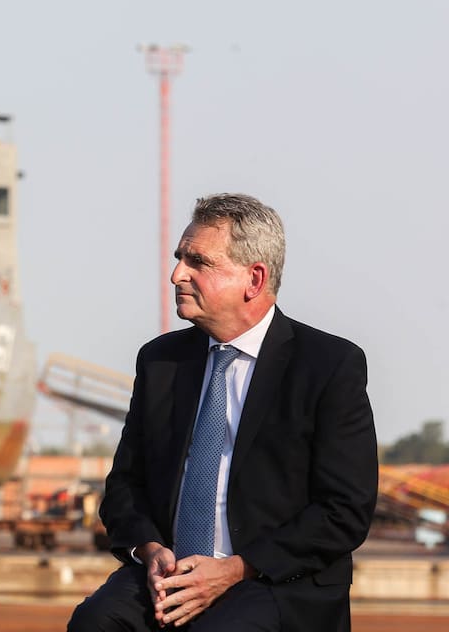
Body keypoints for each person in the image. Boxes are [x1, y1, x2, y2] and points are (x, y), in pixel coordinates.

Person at [68, 193, 377, 631]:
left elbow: (344, 510)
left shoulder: (328, 365)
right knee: (95, 621)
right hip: (169, 575)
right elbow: (125, 485)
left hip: (273, 580)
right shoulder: (160, 361)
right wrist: (149, 549)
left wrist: (235, 569)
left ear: (254, 278)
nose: (177, 274)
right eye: (180, 258)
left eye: (198, 262)